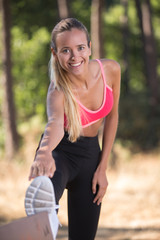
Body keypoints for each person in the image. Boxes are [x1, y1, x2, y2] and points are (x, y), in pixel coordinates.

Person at [25, 18, 121, 240]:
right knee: (45, 199)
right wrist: (44, 153)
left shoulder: (111, 70)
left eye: (80, 48)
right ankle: (44, 220)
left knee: (83, 236)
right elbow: (55, 124)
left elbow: (113, 116)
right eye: (66, 50)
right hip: (59, 152)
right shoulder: (57, 89)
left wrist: (102, 167)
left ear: (89, 48)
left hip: (90, 155)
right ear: (55, 54)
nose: (75, 56)